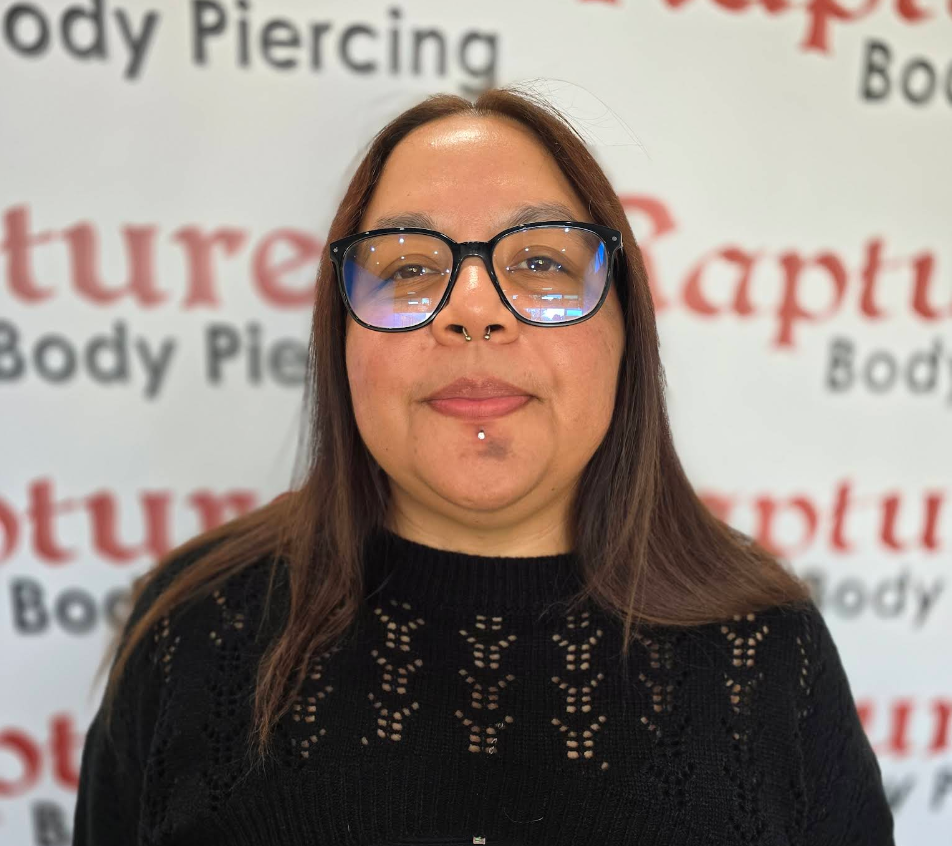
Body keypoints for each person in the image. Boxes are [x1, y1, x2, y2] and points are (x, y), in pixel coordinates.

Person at [72, 86, 895, 846]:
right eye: (409, 267)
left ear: (624, 331)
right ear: (341, 339)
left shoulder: (768, 654)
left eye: (540, 263)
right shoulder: (193, 628)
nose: (473, 311)